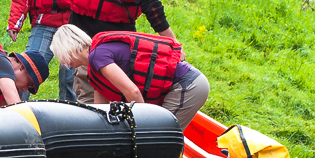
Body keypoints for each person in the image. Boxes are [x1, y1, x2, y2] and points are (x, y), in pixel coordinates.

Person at [51, 24, 211, 126]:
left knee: (157, 137)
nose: (62, 62)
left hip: (187, 86)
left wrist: (142, 127)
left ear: (69, 49)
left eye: (61, 56)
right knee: (154, 137)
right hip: (183, 86)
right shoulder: (94, 73)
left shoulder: (97, 56)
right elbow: (101, 112)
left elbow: (132, 92)